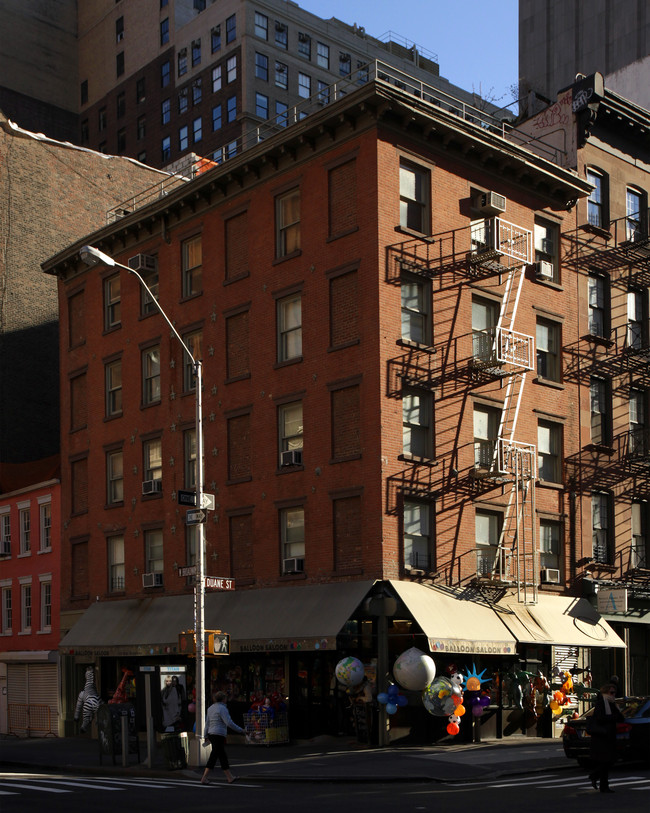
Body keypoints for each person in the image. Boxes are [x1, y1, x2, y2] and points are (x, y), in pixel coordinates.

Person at [201, 690, 245, 784]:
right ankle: (204, 777)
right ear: (224, 699)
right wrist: (241, 730)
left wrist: (205, 735)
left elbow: (207, 723)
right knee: (215, 755)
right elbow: (229, 722)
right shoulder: (222, 709)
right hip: (219, 734)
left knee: (221, 755)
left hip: (212, 734)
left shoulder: (210, 708)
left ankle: (229, 777)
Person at [588, 682, 624, 793]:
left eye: (614, 692)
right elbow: (601, 718)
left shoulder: (612, 704)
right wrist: (613, 717)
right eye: (611, 692)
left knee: (610, 761)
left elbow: (621, 718)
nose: (613, 695)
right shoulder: (600, 704)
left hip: (610, 736)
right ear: (605, 692)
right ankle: (603, 785)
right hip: (601, 737)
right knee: (605, 761)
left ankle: (596, 778)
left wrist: (616, 711)